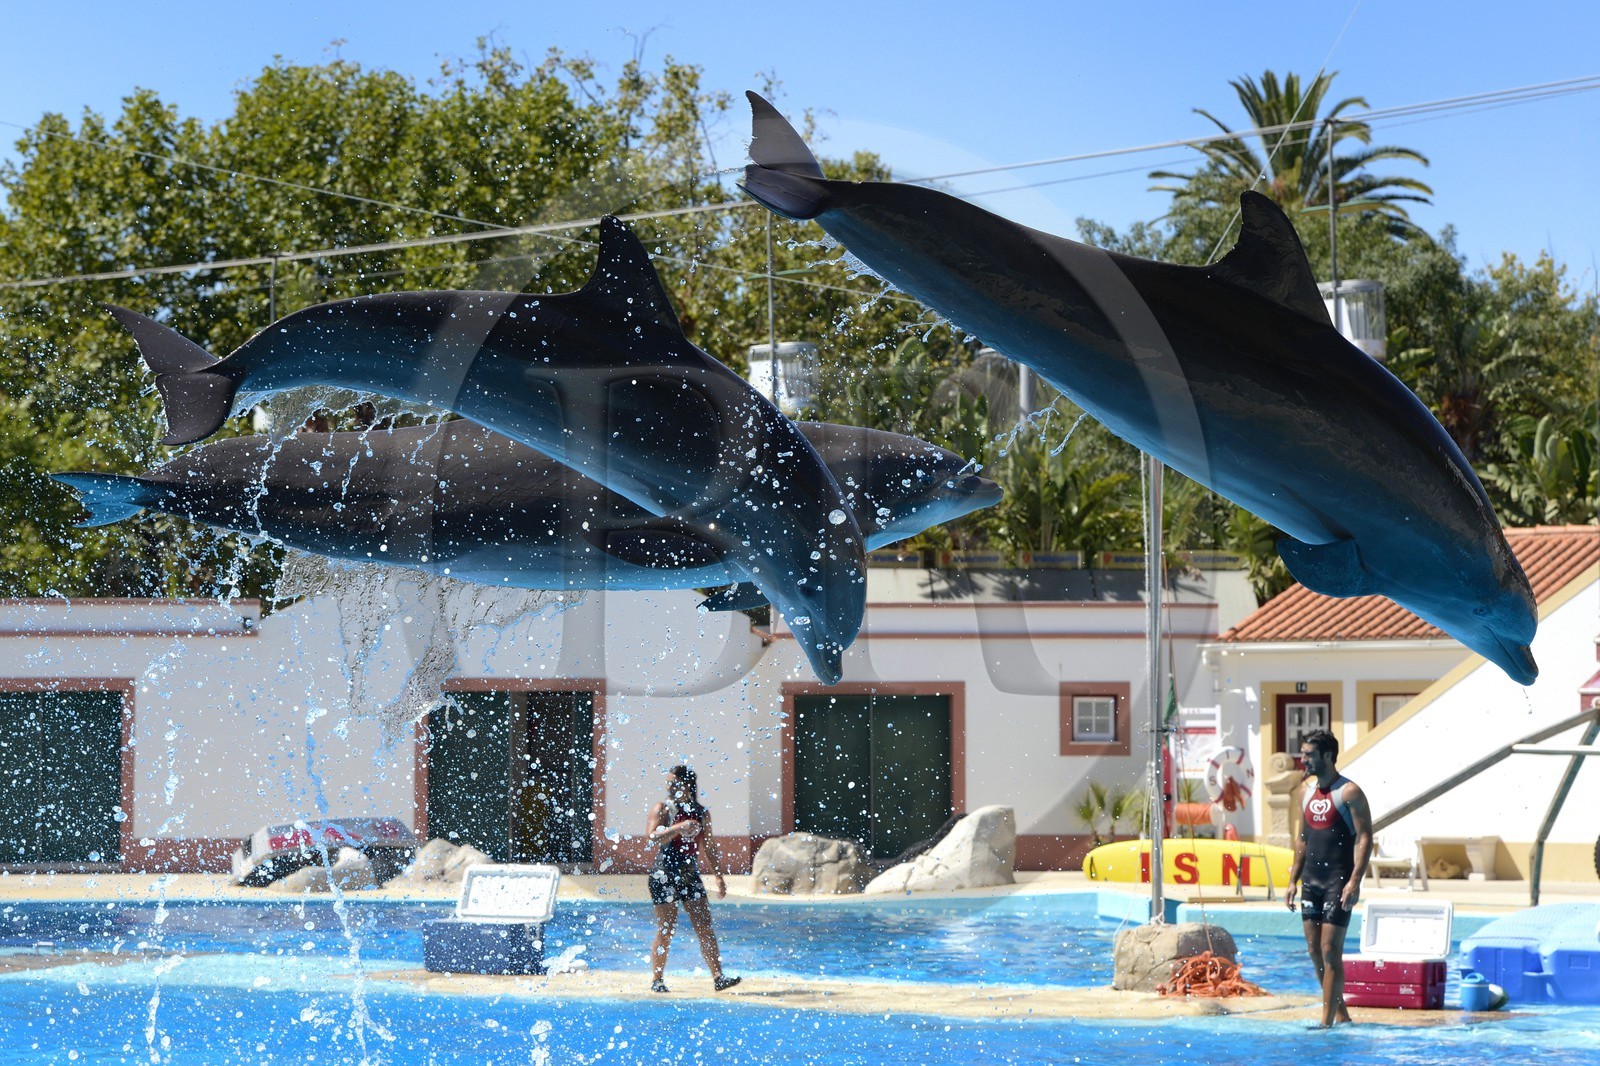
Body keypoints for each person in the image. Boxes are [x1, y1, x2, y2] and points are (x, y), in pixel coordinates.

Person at [1285, 728, 1372, 1028]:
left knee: (1329, 951)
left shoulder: (1349, 792)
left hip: (1339, 881)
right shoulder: (1304, 792)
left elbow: (1364, 837)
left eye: (1309, 754)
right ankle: (1342, 1014)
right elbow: (1303, 839)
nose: (1303, 759)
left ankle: (1326, 1023)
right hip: (1312, 880)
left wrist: (1355, 880)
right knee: (1313, 950)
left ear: (1327, 756)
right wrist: (1292, 881)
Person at [646, 764, 740, 993]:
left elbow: (709, 847)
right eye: (668, 782)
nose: (669, 787)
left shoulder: (700, 812)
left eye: (674, 783)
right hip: (663, 873)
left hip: (689, 873)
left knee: (704, 926)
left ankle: (719, 977)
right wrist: (678, 827)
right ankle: (657, 980)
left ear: (686, 785)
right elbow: (653, 837)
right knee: (666, 927)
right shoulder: (663, 809)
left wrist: (719, 876)